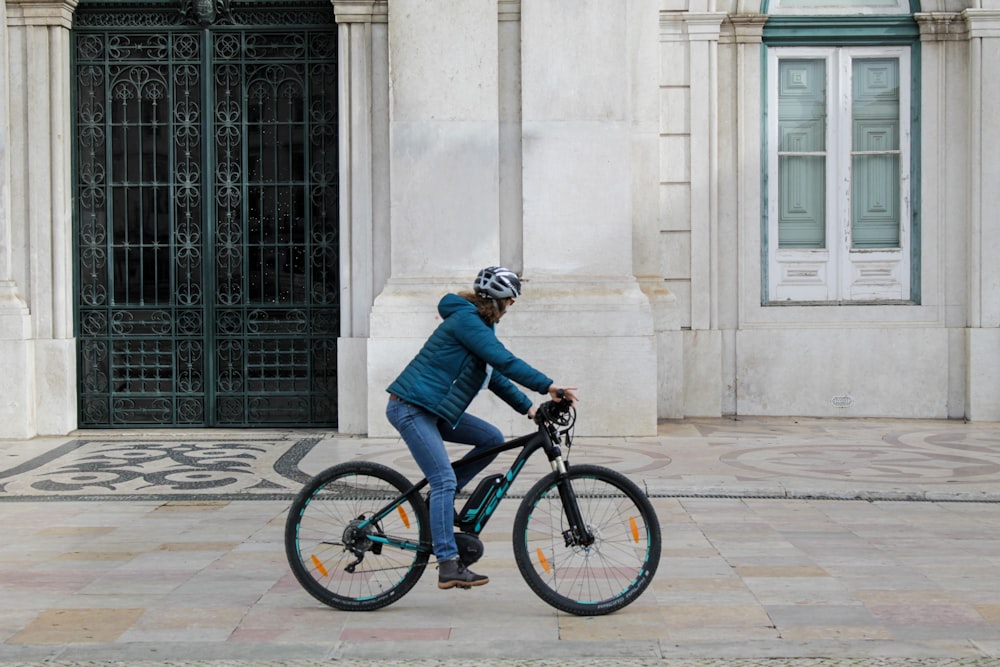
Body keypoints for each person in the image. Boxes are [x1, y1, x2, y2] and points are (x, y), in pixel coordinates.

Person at [386, 266, 578, 590]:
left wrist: (530, 409)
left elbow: (494, 376)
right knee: (444, 478)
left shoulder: (477, 328)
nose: (512, 307)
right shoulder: (467, 321)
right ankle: (448, 563)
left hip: (434, 409)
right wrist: (548, 386)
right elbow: (503, 360)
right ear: (500, 300)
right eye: (511, 300)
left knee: (491, 438)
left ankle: (439, 500)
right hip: (411, 408)